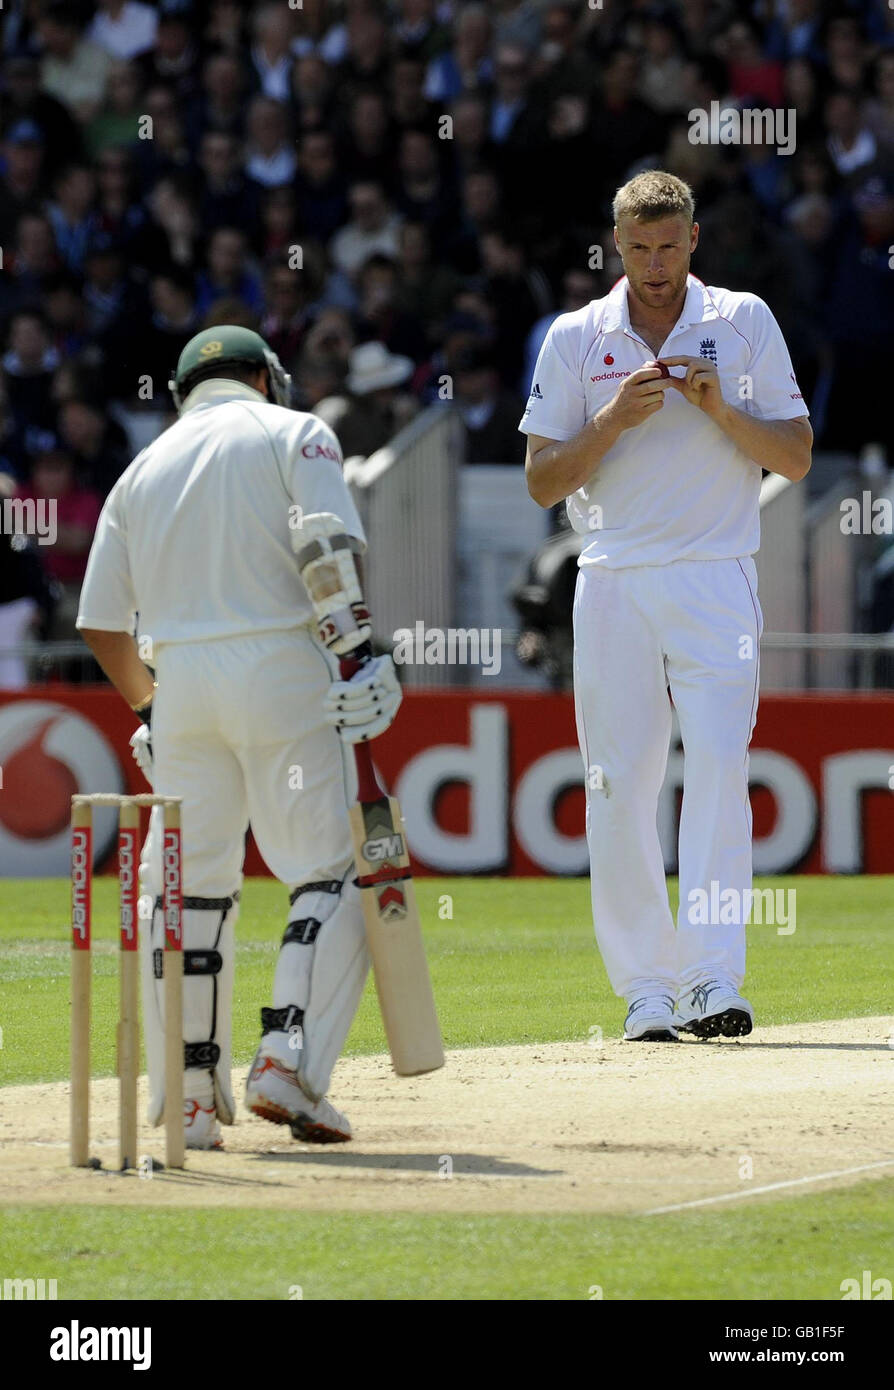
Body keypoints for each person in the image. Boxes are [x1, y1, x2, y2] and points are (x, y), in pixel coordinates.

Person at [76, 325, 402, 1151]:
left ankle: (188, 1100)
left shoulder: (139, 470)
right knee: (330, 872)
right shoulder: (296, 430)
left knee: (185, 888)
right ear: (263, 376)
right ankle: (285, 1062)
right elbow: (325, 550)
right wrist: (360, 662)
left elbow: (101, 626)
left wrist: (151, 711)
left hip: (180, 683)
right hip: (282, 666)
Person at [521, 171, 812, 1042]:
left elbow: (794, 455)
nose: (654, 266)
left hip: (718, 572)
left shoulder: (743, 320)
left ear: (693, 240)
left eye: (668, 246)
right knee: (619, 784)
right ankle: (648, 988)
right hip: (610, 575)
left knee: (721, 768)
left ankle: (713, 980)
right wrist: (612, 421)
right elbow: (543, 482)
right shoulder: (577, 336)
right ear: (618, 245)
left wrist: (722, 411)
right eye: (638, 249)